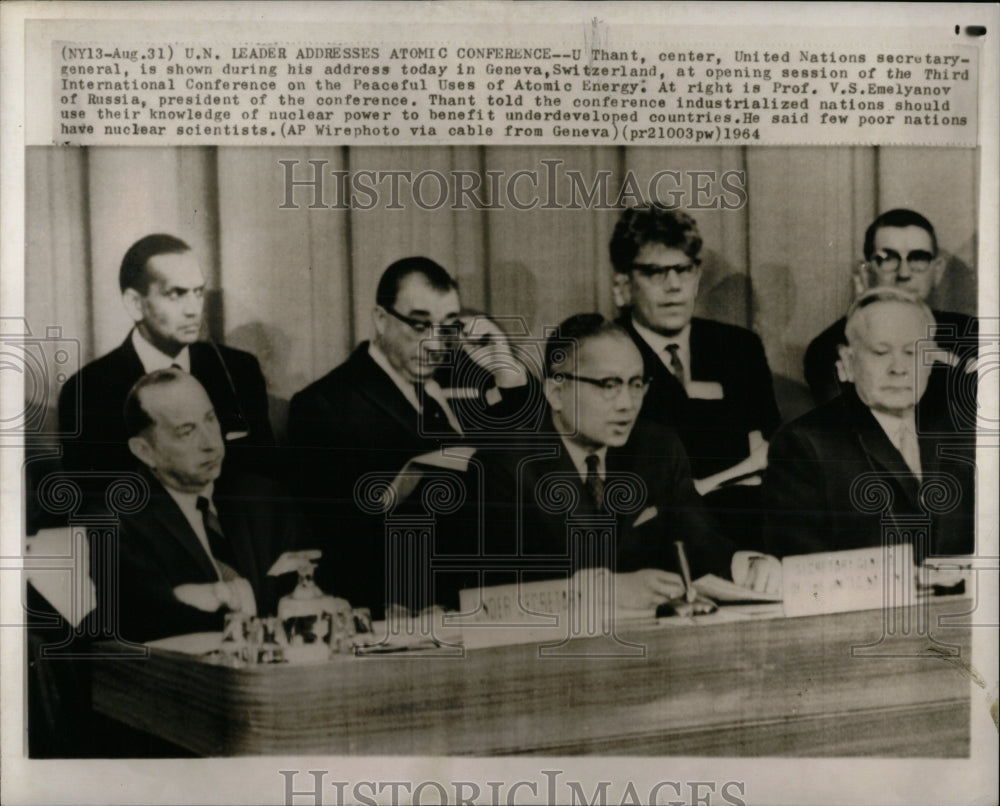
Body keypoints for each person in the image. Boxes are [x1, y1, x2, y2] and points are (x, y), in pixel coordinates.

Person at [287, 256, 541, 617]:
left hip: (493, 603)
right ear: (380, 319)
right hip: (403, 611)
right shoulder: (326, 404)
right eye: (420, 326)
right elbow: (339, 540)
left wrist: (506, 368)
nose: (436, 344)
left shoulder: (467, 378)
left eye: (448, 327)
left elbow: (536, 453)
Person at [474, 314, 781, 608]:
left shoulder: (657, 448)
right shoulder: (503, 464)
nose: (627, 404)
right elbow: (492, 591)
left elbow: (699, 541)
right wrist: (603, 590)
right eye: (608, 385)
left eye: (636, 384)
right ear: (556, 392)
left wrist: (745, 564)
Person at [609, 204, 781, 548]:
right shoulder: (605, 355)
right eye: (655, 273)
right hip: (651, 543)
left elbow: (772, 453)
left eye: (683, 270)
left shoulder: (739, 347)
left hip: (747, 532)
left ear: (697, 275)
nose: (674, 286)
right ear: (625, 284)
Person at [764, 288, 975, 561]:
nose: (899, 368)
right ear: (849, 362)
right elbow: (804, 572)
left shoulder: (963, 433)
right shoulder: (804, 445)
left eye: (912, 352)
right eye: (880, 352)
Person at [95, 369, 299, 643]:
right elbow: (149, 624)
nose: (211, 443)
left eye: (210, 419)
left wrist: (212, 596)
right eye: (186, 431)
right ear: (144, 450)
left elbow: (313, 592)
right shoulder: (119, 523)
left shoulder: (265, 499)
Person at [58, 234, 274, 484]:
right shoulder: (87, 391)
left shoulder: (239, 369)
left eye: (198, 292)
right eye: (176, 294)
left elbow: (264, 479)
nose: (194, 310)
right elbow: (96, 501)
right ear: (135, 303)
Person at [803, 209, 978, 428]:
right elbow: (852, 432)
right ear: (867, 269)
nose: (904, 273)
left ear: (938, 269)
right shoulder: (829, 347)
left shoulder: (971, 335)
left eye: (918, 258)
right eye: (888, 259)